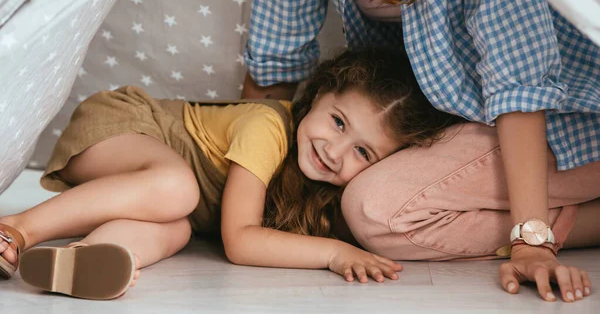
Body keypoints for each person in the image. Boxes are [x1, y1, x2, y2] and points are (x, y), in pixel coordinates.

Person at [233, 0, 600, 303]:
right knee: (337, 213)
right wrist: (243, 193)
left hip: (564, 119)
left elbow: (520, 85)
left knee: (374, 212)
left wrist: (532, 243)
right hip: (454, 120)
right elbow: (276, 62)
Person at [0, 48, 460, 300]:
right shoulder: (268, 125)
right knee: (179, 190)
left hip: (159, 196)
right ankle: (17, 230)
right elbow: (239, 241)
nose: (335, 150)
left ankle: (85, 259)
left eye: (362, 151)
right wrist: (334, 254)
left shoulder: (319, 188)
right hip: (125, 128)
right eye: (338, 122)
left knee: (177, 230)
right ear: (318, 94)